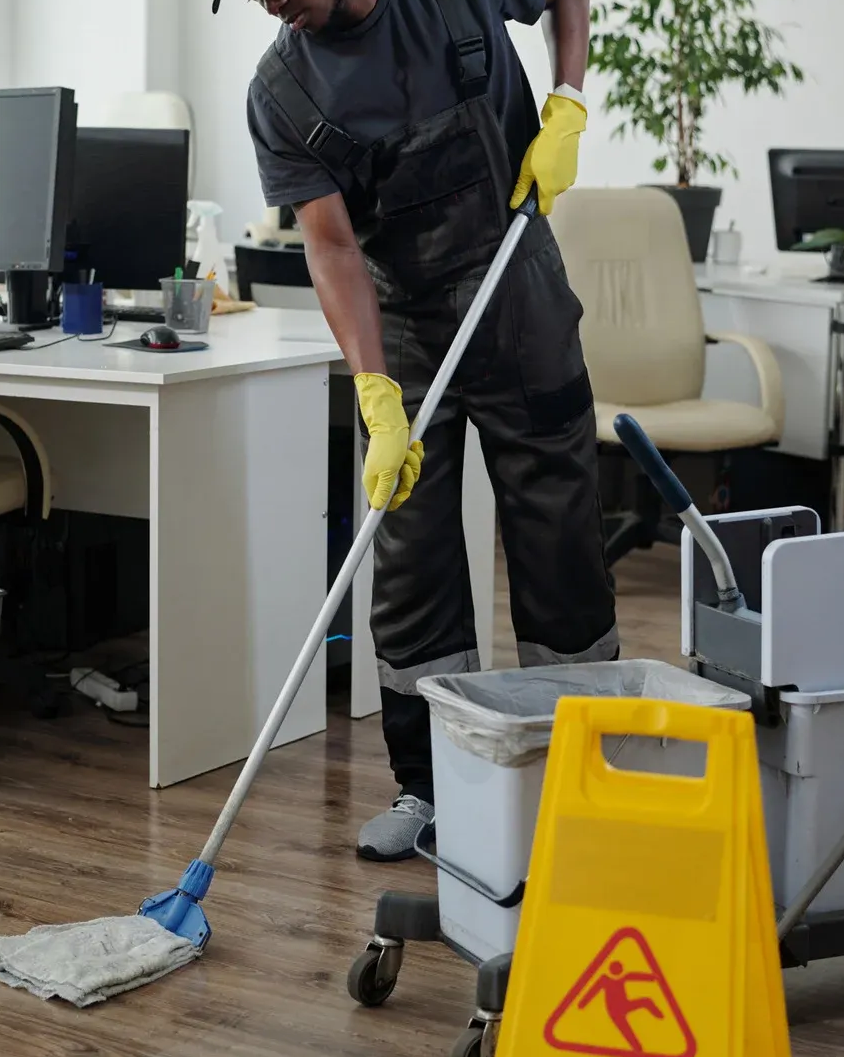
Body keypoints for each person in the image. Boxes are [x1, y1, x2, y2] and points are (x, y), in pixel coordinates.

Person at [239, 0, 617, 860]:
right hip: (402, 320)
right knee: (410, 554)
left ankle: (581, 766)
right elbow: (331, 247)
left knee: (555, 530)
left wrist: (568, 100)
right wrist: (374, 390)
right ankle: (430, 785)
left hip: (515, 281)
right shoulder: (283, 92)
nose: (273, 7)